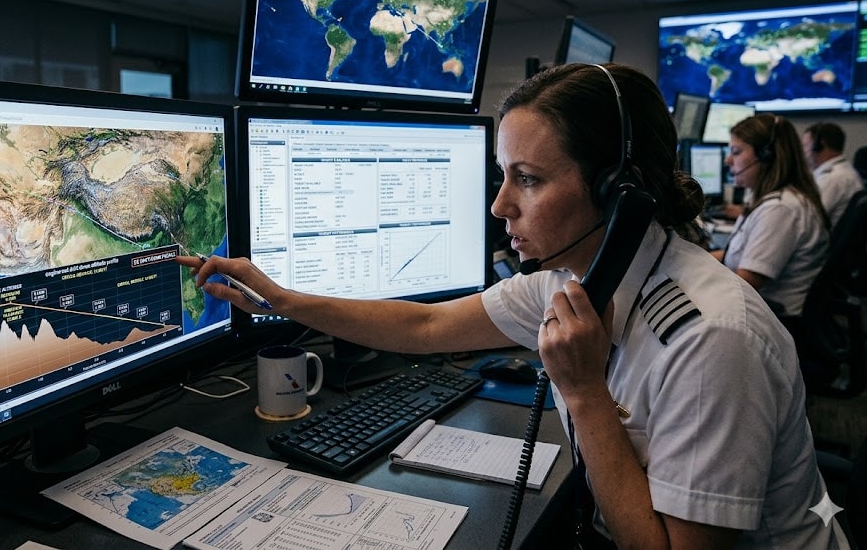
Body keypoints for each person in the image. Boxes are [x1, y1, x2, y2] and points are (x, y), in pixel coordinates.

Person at [179, 63, 849, 548]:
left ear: (619, 194)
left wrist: (584, 393)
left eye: (527, 179)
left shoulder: (712, 339)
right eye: (504, 176)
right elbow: (426, 323)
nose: (501, 206)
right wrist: (282, 298)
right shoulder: (571, 278)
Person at [710, 114, 829, 319]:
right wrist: (691, 260)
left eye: (736, 152)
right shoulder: (769, 200)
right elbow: (733, 253)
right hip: (756, 310)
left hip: (767, 319)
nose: (727, 160)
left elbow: (745, 285)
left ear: (766, 156)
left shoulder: (781, 209)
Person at [802, 121, 864, 226]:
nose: (803, 151)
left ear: (819, 146)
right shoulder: (843, 171)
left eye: (806, 146)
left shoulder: (834, 179)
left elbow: (807, 218)